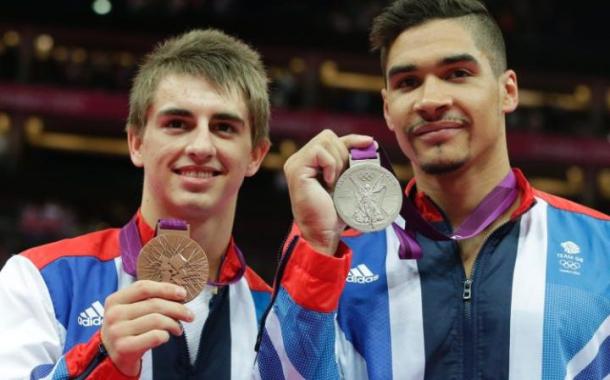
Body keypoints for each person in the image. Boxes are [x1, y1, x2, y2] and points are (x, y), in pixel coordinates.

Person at [255, 0, 610, 379]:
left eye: (457, 73)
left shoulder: (602, 247)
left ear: (507, 91)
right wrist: (315, 245)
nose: (430, 101)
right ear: (389, 109)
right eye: (408, 82)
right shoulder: (339, 256)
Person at [0, 28, 272, 379]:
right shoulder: (41, 280)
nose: (202, 147)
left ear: (255, 155)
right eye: (177, 123)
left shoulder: (272, 317)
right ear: (137, 142)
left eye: (223, 127)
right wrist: (103, 359)